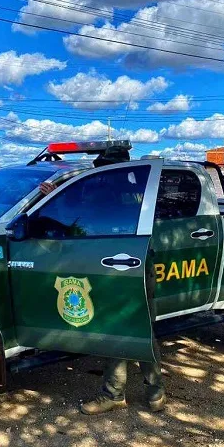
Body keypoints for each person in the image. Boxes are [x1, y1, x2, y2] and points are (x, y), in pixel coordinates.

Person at [38, 148, 167, 414]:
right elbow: (76, 219)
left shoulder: (114, 193)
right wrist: (52, 197)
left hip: (126, 266)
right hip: (129, 265)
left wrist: (56, 199)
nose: (101, 173)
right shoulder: (136, 192)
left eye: (104, 168)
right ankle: (150, 392)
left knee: (127, 330)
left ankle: (121, 393)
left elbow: (76, 219)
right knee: (132, 331)